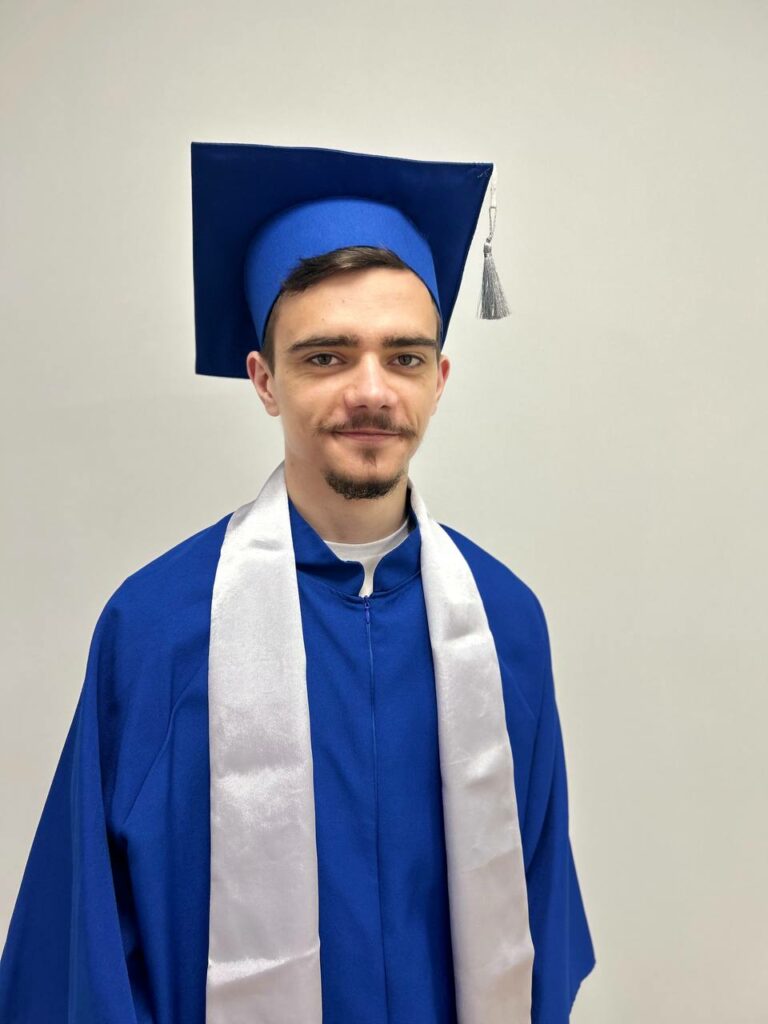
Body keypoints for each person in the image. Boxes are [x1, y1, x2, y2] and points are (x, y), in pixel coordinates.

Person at [0, 141, 596, 1023]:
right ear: (265, 380)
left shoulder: (505, 622)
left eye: (403, 357)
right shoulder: (159, 629)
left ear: (439, 380)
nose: (371, 392)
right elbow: (81, 947)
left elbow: (539, 919)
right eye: (326, 357)